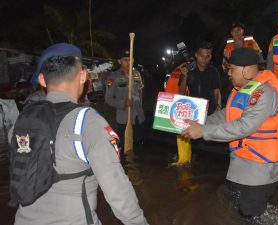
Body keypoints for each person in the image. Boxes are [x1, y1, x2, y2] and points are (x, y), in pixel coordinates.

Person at [11, 43, 148, 225]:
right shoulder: (88, 122)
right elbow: (118, 191)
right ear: (83, 75)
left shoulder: (20, 122)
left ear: (42, 80)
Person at [182, 48, 278, 217]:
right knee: (232, 200)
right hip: (245, 163)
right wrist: (200, 123)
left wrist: (203, 131)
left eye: (231, 69)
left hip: (262, 167)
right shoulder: (242, 89)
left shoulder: (265, 93)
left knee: (248, 214)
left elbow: (244, 126)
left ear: (246, 71)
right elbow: (226, 115)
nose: (229, 74)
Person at [105, 50, 145, 157]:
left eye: (130, 60)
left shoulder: (137, 75)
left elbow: (140, 94)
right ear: (119, 61)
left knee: (139, 148)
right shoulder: (113, 77)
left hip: (139, 118)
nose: (128, 62)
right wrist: (123, 103)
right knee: (124, 150)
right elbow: (108, 99)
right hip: (124, 119)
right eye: (125, 60)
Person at [179, 41, 221, 114]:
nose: (204, 59)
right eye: (201, 55)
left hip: (210, 110)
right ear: (196, 55)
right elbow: (181, 93)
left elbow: (217, 91)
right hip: (192, 109)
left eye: (207, 56)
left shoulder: (213, 71)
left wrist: (218, 106)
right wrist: (185, 76)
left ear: (210, 56)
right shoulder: (188, 69)